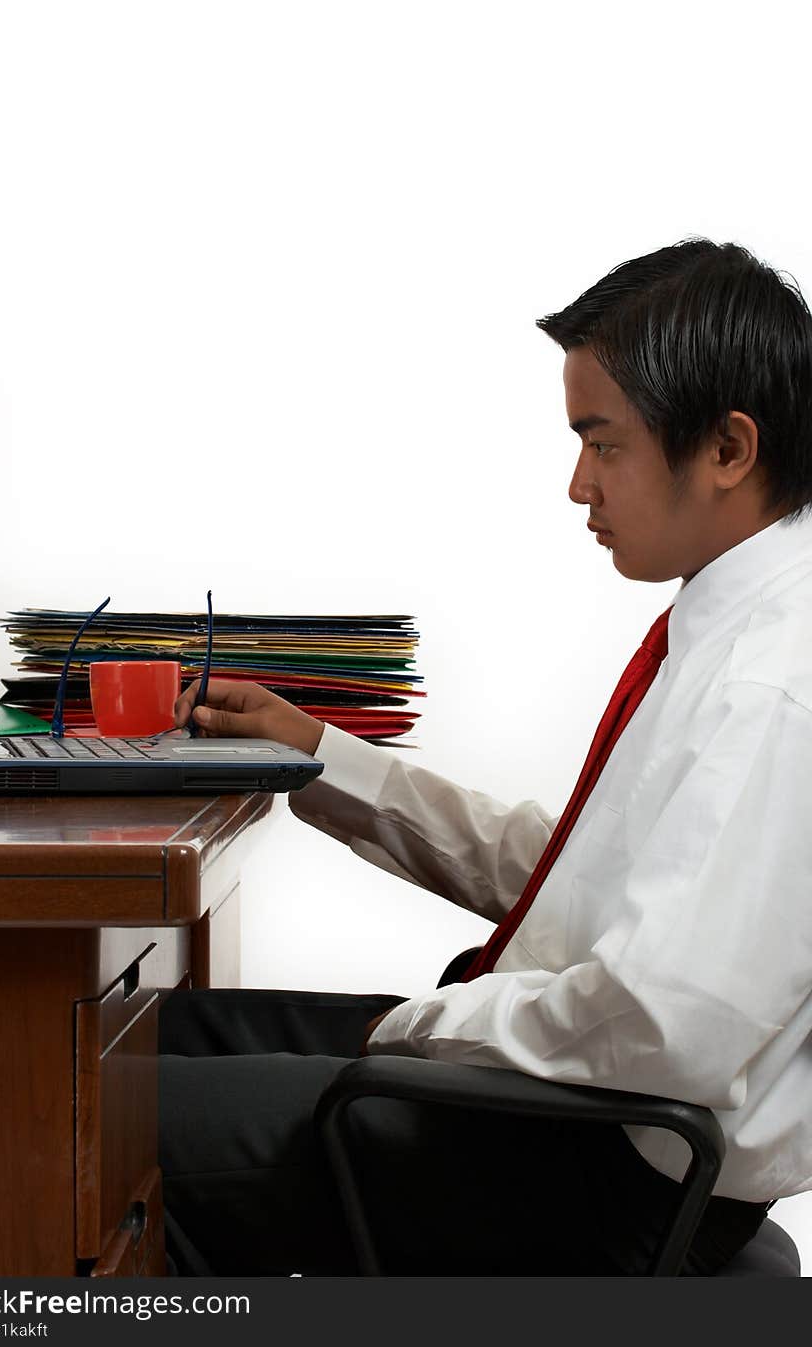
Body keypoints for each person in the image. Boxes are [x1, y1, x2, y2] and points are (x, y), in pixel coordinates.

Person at [158, 238, 812, 1276]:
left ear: (727, 449)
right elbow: (577, 879)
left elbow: (664, 1019)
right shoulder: (733, 619)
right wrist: (320, 754)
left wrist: (422, 1024)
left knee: (84, 1122)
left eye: (603, 443)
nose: (576, 484)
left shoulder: (771, 680)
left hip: (594, 1178)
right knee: (148, 1039)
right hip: (577, 1116)